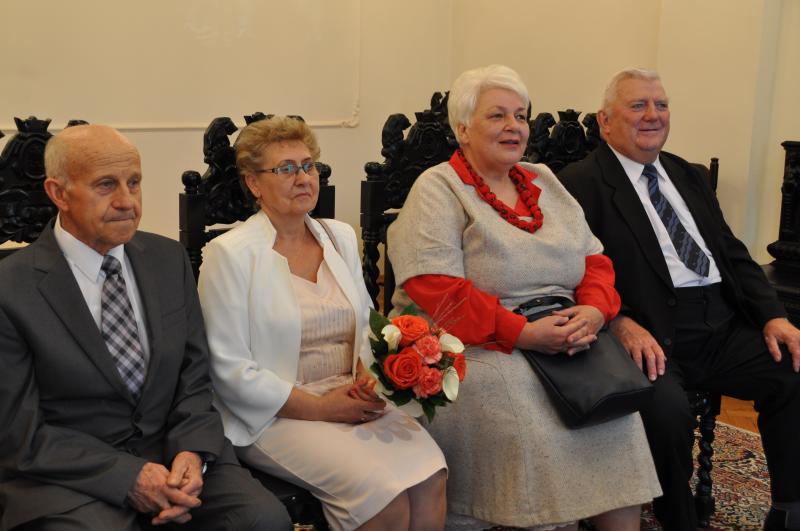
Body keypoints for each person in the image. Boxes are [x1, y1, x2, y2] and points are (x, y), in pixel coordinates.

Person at [386, 64, 661, 531]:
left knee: (615, 407)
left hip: (566, 329)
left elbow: (594, 259)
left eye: (521, 115)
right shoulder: (439, 187)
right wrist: (523, 333)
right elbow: (435, 289)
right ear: (463, 128)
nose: (514, 126)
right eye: (497, 116)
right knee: (525, 401)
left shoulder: (542, 180)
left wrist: (595, 311)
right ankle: (538, 519)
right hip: (471, 343)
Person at [0, 125, 291, 531]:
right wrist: (129, 476)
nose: (127, 201)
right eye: (106, 185)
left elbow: (194, 377)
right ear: (59, 193)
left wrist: (191, 452)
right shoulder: (11, 288)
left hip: (174, 456)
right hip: (71, 478)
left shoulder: (167, 259)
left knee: (262, 519)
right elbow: (19, 431)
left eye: (134, 183)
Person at [559, 68, 800, 531]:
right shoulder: (579, 184)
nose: (653, 115)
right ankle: (678, 519)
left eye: (661, 105)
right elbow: (570, 274)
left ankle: (789, 509)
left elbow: (731, 253)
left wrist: (773, 316)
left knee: (793, 368)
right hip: (648, 332)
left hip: (721, 324)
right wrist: (618, 322)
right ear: (604, 121)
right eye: (638, 105)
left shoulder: (687, 174)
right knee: (668, 415)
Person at [197, 116, 447, 531]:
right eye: (285, 169)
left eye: (308, 166)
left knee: (430, 476)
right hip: (276, 415)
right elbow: (229, 369)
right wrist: (321, 408)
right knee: (382, 495)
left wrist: (368, 378)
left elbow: (367, 324)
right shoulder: (230, 254)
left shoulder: (338, 237)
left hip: (349, 397)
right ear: (254, 183)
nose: (303, 178)